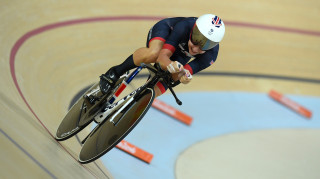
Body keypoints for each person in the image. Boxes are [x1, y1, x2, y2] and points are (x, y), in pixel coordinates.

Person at [99, 14, 225, 98]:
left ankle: (133, 104)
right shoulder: (184, 26)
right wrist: (170, 64)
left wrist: (183, 76)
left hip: (180, 53)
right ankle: (115, 72)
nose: (196, 48)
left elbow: (178, 75)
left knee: (162, 86)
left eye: (205, 45)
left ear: (213, 46)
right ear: (194, 29)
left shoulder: (211, 55)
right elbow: (162, 57)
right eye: (196, 39)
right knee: (153, 54)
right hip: (166, 33)